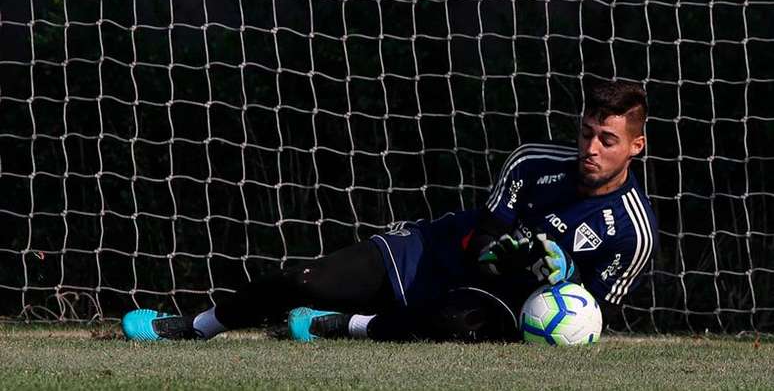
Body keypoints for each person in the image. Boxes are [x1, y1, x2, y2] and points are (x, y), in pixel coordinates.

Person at [122, 80, 657, 342]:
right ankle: (197, 325)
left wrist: (560, 279)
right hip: (438, 249)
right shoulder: (533, 162)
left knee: (459, 324)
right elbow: (482, 237)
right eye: (586, 133)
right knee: (309, 278)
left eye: (607, 139)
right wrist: (501, 247)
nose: (590, 148)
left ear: (635, 147)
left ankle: (341, 327)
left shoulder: (633, 231)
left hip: (498, 297)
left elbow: (597, 316)